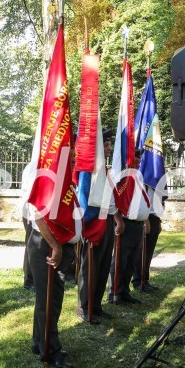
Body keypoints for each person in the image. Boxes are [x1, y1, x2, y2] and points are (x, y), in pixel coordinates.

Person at [26, 201, 81, 368]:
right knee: (50, 302)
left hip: (58, 245)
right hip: (48, 245)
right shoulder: (52, 183)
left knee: (48, 299)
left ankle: (39, 342)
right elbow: (39, 214)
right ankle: (51, 350)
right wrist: (55, 246)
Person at [77, 129, 118, 321]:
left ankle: (96, 305)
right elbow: (84, 198)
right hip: (95, 222)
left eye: (109, 144)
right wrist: (89, 227)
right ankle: (85, 307)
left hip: (106, 219)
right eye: (106, 145)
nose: (109, 148)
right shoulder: (90, 169)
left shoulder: (103, 169)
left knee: (103, 264)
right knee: (91, 266)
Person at [108, 149, 151, 305]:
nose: (138, 162)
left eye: (139, 159)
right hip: (126, 223)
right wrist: (118, 219)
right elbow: (113, 199)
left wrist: (145, 220)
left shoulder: (137, 175)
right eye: (135, 160)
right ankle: (115, 293)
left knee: (132, 260)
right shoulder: (122, 176)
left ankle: (125, 291)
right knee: (121, 260)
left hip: (138, 224)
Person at [132, 183, 165, 292]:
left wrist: (159, 220)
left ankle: (145, 280)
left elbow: (158, 203)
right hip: (146, 217)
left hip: (154, 216)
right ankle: (138, 281)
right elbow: (142, 202)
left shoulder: (155, 182)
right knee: (142, 252)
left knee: (149, 252)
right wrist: (145, 220)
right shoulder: (143, 182)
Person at [21, 161, 36, 291]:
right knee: (32, 247)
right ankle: (29, 281)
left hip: (33, 212)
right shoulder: (33, 166)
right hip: (31, 213)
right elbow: (30, 192)